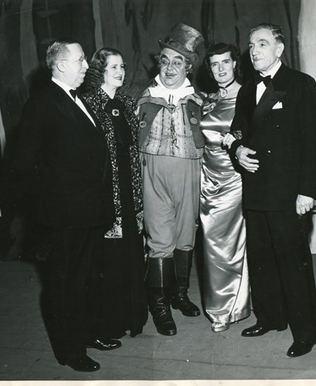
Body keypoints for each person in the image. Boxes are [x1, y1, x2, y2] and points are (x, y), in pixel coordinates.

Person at [13, 38, 121, 372]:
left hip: (90, 211)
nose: (87, 66)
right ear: (61, 65)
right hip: (65, 214)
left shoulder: (76, 99)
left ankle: (88, 334)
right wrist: (54, 200)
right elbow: (22, 163)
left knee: (88, 277)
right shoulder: (42, 103)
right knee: (65, 283)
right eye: (80, 60)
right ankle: (70, 350)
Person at [225, 23, 316, 357]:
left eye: (262, 44)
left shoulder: (300, 85)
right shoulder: (246, 88)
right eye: (252, 45)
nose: (254, 51)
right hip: (255, 191)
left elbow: (314, 143)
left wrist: (307, 191)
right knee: (262, 260)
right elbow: (236, 131)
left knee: (293, 264)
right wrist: (237, 151)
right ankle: (270, 318)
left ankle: (305, 333)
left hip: (287, 193)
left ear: (279, 49)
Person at [137, 23, 205, 336]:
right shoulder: (145, 98)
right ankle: (160, 305)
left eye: (177, 61)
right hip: (154, 171)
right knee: (160, 239)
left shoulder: (200, 100)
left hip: (189, 170)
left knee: (186, 236)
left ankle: (179, 294)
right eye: (164, 60)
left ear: (188, 66)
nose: (169, 67)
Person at [82, 48, 148, 338]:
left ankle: (132, 319)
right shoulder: (89, 103)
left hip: (130, 191)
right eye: (113, 67)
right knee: (108, 263)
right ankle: (106, 325)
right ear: (100, 71)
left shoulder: (125, 100)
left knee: (132, 257)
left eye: (122, 66)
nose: (120, 72)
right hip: (106, 195)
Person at [199, 43, 251, 333]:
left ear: (234, 64)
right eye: (214, 64)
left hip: (235, 178)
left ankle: (229, 309)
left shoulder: (248, 96)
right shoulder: (208, 100)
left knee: (230, 245)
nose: (220, 69)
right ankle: (223, 305)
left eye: (225, 62)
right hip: (207, 178)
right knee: (210, 244)